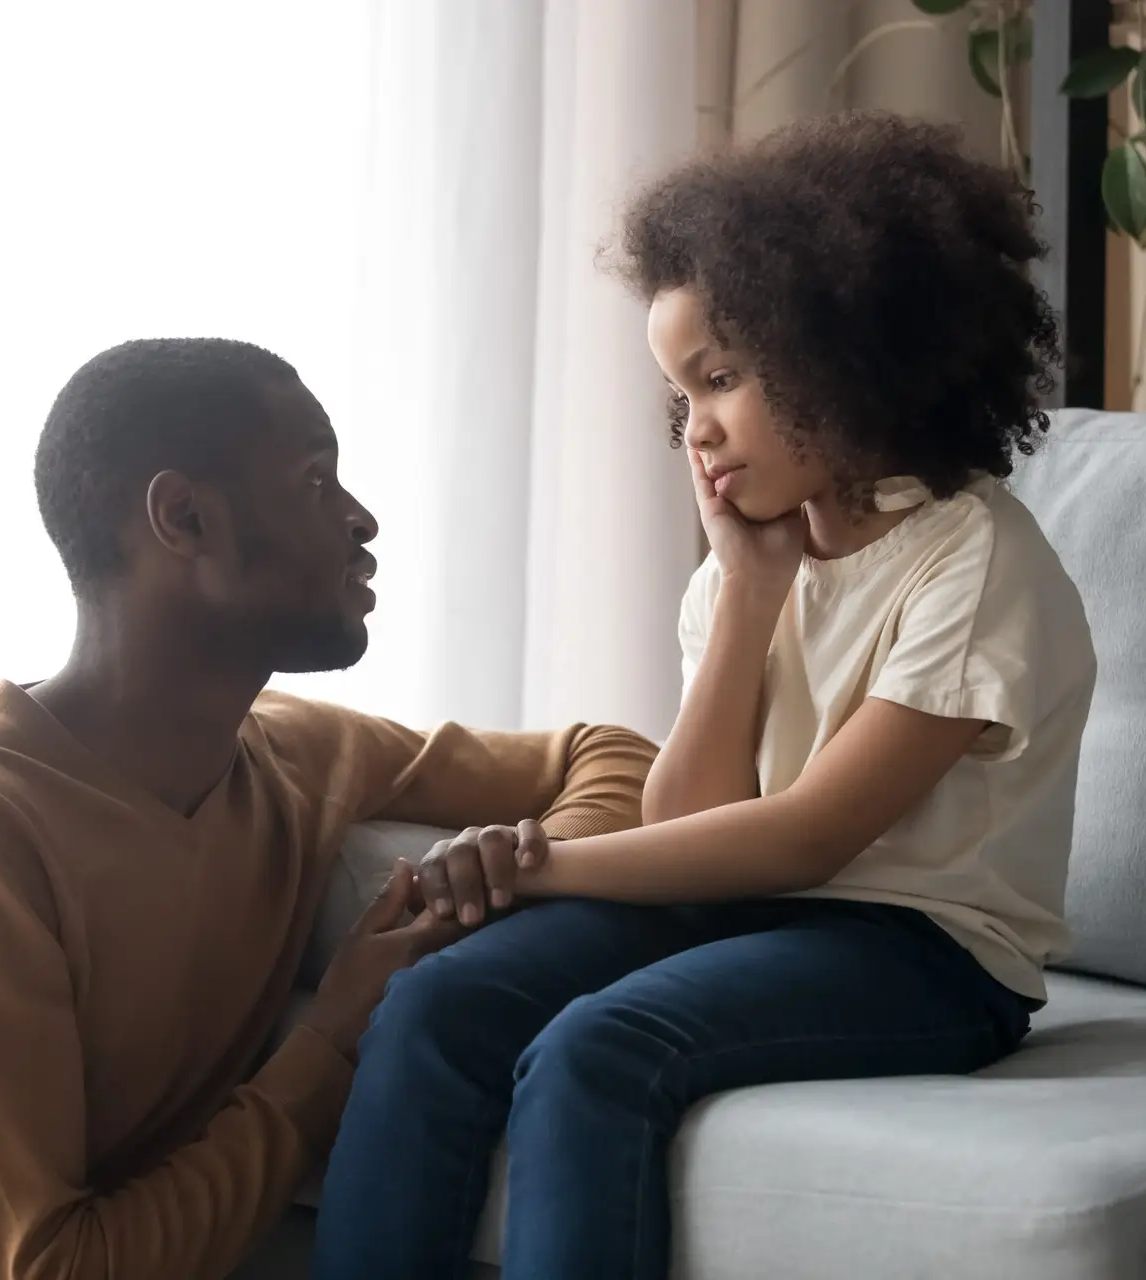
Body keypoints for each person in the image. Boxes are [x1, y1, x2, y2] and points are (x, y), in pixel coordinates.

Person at [312, 112, 1098, 1280]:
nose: (699, 429)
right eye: (681, 397)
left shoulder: (970, 558)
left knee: (599, 1045)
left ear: (841, 347)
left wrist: (535, 864)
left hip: (928, 951)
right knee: (436, 1002)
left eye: (720, 378)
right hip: (759, 912)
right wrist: (744, 592)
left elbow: (809, 831)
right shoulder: (747, 568)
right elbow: (687, 830)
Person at [0, 338, 656, 1280]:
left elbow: (614, 755)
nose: (362, 519)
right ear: (183, 517)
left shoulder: (298, 752)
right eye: (315, 480)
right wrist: (329, 1042)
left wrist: (529, 865)